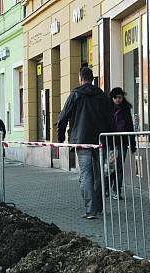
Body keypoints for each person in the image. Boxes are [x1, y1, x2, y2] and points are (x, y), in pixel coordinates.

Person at [57, 66, 113, 219]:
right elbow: (111, 119)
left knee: (86, 174)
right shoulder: (102, 96)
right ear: (93, 79)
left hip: (81, 141)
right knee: (99, 174)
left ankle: (90, 210)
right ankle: (99, 206)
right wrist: (111, 139)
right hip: (100, 141)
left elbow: (62, 118)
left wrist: (60, 137)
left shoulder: (75, 95)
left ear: (80, 78)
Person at [106, 87, 137, 200]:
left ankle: (117, 190)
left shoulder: (125, 109)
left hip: (122, 142)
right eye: (116, 97)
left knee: (119, 167)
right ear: (112, 98)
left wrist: (132, 144)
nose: (119, 99)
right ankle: (107, 188)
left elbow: (130, 126)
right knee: (111, 167)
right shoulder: (108, 109)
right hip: (112, 142)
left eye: (120, 97)